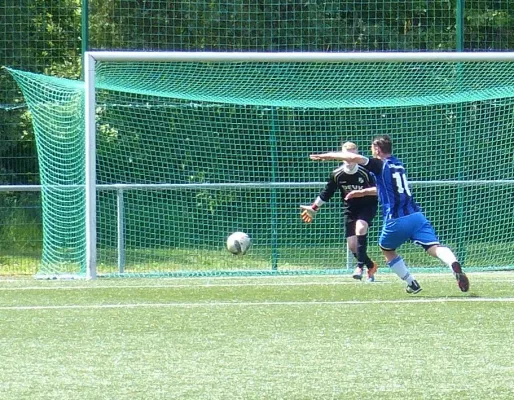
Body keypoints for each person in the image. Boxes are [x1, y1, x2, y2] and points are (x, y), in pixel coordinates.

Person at [309, 134, 470, 294]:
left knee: (386, 249)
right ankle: (453, 263)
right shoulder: (398, 164)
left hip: (396, 218)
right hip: (416, 215)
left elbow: (352, 157)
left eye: (372, 148)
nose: (371, 152)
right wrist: (363, 192)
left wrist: (326, 156)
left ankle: (411, 283)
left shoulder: (380, 165)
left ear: (378, 149)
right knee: (434, 247)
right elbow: (385, 188)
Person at [300, 141, 379, 282]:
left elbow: (378, 190)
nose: (349, 160)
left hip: (367, 206)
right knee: (352, 246)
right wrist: (314, 208)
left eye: (352, 156)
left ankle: (359, 268)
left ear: (356, 156)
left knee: (361, 227)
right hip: (350, 208)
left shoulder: (366, 172)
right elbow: (327, 192)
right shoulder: (337, 174)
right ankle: (371, 265)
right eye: (345, 156)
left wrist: (362, 193)